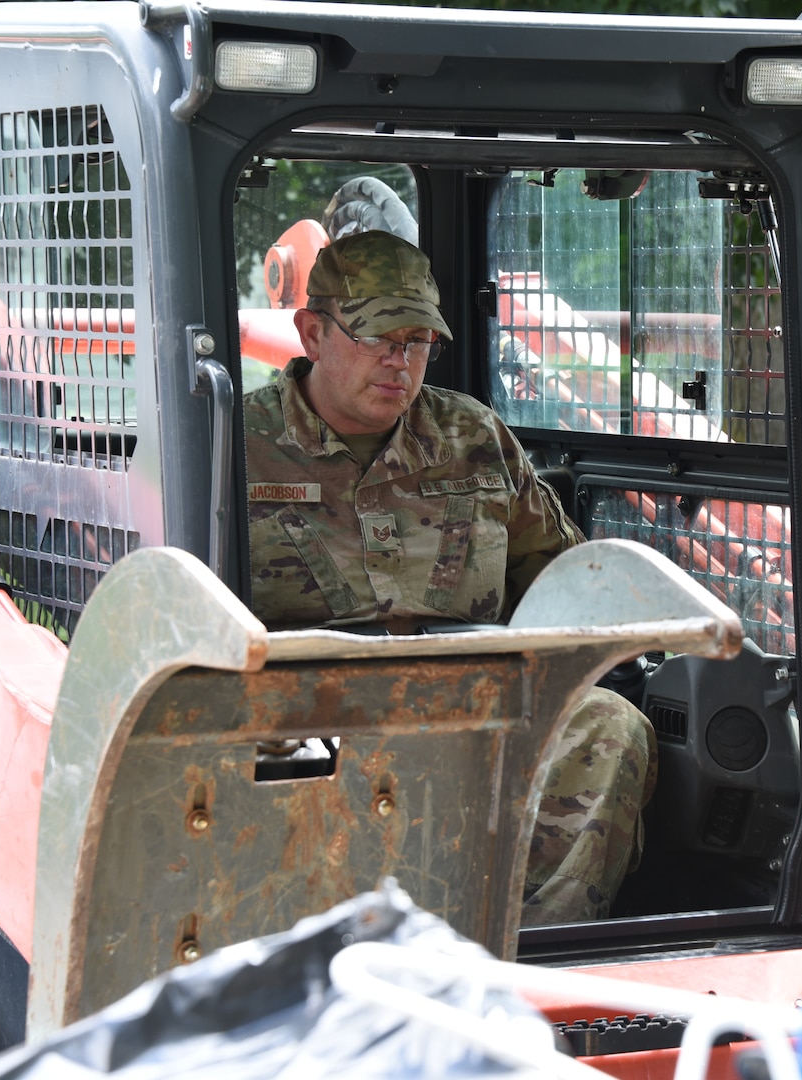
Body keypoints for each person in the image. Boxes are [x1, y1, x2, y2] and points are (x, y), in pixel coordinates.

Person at [243, 229, 655, 925]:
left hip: (468, 697)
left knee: (609, 725)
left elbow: (561, 574)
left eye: (418, 342)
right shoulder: (234, 442)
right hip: (303, 707)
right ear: (313, 332)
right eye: (380, 338)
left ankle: (527, 953)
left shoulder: (473, 437)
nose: (401, 363)